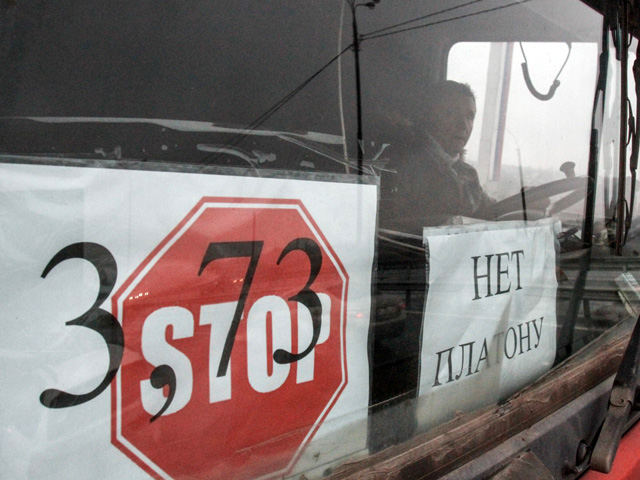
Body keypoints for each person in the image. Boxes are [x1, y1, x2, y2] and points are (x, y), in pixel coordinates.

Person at [380, 80, 494, 234]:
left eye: (470, 116)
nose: (463, 125)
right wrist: (447, 224)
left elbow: (492, 212)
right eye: (451, 113)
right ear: (429, 116)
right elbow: (384, 227)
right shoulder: (400, 165)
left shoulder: (468, 174)